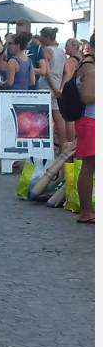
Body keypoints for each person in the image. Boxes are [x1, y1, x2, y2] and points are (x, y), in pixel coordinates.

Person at [74, 32, 94, 224]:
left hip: (90, 121)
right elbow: (87, 97)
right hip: (91, 121)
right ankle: (87, 211)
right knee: (89, 166)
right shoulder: (91, 68)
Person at [36, 26, 67, 148]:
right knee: (58, 117)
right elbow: (66, 72)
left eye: (42, 36)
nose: (40, 39)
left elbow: (47, 72)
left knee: (43, 117)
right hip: (58, 86)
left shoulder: (47, 51)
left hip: (47, 87)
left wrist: (54, 88)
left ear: (47, 37)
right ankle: (63, 145)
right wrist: (61, 88)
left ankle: (45, 145)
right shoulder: (61, 51)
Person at [61, 38, 83, 143]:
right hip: (79, 91)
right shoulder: (82, 59)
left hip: (70, 91)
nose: (65, 47)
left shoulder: (70, 61)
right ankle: (75, 141)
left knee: (69, 119)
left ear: (74, 46)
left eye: (67, 45)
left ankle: (70, 142)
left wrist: (61, 90)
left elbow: (67, 77)